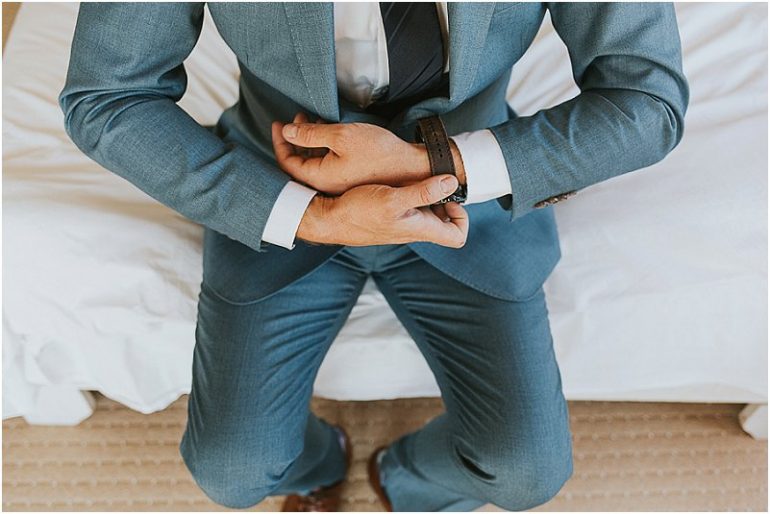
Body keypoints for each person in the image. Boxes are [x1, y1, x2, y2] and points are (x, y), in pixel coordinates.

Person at [59, 2, 688, 511]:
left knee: (526, 473)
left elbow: (647, 100)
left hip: (469, 207)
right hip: (275, 195)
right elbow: (107, 96)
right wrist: (314, 215)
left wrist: (433, 165)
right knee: (232, 473)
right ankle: (322, 462)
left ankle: (402, 475)